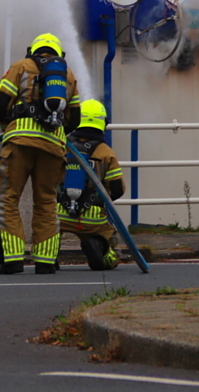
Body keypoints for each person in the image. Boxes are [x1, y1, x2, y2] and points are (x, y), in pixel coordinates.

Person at [0, 33, 80, 275]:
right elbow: (75, 119)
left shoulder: (21, 67)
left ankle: (12, 259)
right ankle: (46, 261)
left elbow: (0, 103)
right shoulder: (69, 76)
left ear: (33, 50)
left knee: (8, 198)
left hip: (19, 144)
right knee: (47, 201)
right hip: (52, 148)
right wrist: (57, 136)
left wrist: (9, 129)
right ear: (59, 55)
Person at [56, 99, 124, 270]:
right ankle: (101, 247)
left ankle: (49, 257)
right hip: (92, 216)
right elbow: (117, 189)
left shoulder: (62, 146)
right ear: (103, 122)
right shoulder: (106, 153)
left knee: (48, 231)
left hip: (59, 214)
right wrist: (98, 202)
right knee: (110, 242)